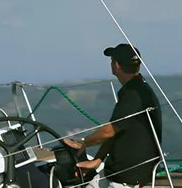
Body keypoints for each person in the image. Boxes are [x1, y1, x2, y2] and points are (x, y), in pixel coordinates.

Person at [62, 43, 163, 186]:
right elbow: (116, 128)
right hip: (122, 171)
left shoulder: (132, 94)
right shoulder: (139, 88)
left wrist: (82, 143)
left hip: (127, 176)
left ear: (116, 66)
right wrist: (98, 160)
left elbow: (108, 131)